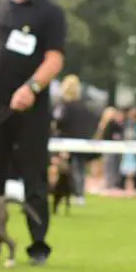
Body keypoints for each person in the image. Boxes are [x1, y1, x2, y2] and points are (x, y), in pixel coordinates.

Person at [0, 0, 67, 266]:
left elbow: (55, 58)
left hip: (31, 109)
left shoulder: (50, 12)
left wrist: (32, 87)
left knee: (34, 176)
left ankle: (38, 246)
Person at [51, 74, 96, 205]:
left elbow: (59, 122)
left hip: (65, 142)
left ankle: (69, 193)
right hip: (82, 142)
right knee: (79, 169)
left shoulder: (63, 106)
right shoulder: (84, 106)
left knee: (66, 170)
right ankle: (79, 194)